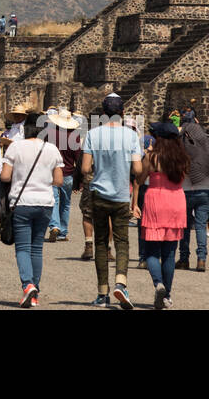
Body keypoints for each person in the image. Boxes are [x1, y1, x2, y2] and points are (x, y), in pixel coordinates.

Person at [81, 93, 143, 308]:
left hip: (99, 193)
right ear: (122, 112)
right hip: (120, 195)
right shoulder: (131, 136)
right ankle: (121, 282)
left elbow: (85, 168)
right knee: (122, 241)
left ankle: (102, 293)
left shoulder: (93, 134)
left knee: (100, 242)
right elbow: (137, 168)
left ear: (103, 113)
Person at [0, 120, 64, 307]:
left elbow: (5, 176)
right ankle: (34, 291)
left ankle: (28, 285)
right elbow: (58, 180)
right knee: (37, 248)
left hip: (22, 202)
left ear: (24, 129)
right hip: (45, 203)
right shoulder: (52, 149)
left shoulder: (15, 147)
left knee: (22, 248)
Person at [136, 122, 188, 309]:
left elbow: (140, 178)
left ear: (158, 138)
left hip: (156, 201)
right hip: (176, 202)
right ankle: (168, 294)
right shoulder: (182, 158)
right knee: (169, 253)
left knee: (151, 251)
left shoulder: (152, 156)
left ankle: (158, 283)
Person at [177, 117, 209, 272]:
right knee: (201, 226)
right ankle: (201, 259)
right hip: (203, 190)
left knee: (185, 227)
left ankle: (184, 259)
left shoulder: (181, 148)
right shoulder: (205, 148)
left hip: (185, 191)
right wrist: (204, 174)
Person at [45, 110, 81, 243]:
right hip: (69, 173)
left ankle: (55, 225)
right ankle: (63, 231)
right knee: (66, 204)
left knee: (53, 201)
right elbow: (78, 158)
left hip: (53, 172)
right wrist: (79, 180)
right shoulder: (75, 136)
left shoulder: (50, 134)